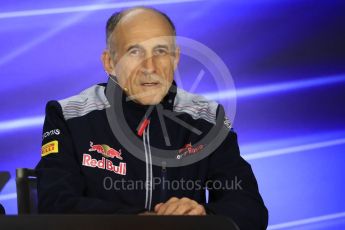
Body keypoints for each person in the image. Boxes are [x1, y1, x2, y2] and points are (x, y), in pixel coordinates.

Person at [36, 7, 268, 229]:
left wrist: (203, 216)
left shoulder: (207, 118)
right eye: (134, 52)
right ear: (110, 63)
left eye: (161, 51)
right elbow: (55, 205)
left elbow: (251, 210)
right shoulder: (67, 114)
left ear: (175, 58)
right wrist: (144, 222)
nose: (150, 67)